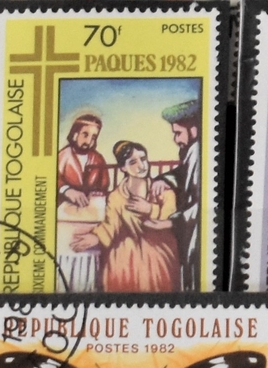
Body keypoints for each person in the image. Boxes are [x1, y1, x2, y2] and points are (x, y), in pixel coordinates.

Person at [70, 141, 181, 293]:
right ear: (123, 168)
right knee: (119, 261)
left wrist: (150, 209)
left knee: (154, 269)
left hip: (158, 245)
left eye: (143, 159)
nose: (141, 166)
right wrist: (96, 237)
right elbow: (111, 224)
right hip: (128, 246)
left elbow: (169, 221)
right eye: (133, 162)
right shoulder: (116, 196)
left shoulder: (164, 191)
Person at [57, 111, 109, 292]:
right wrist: (66, 190)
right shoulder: (62, 156)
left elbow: (104, 185)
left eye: (94, 137)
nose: (89, 141)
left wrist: (98, 195)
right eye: (85, 134)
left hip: (90, 222)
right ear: (74, 134)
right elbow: (51, 179)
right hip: (65, 224)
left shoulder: (98, 159)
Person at [163, 98, 203, 290]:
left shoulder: (198, 153)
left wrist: (171, 222)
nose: (176, 140)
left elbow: (200, 206)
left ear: (193, 129)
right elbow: (182, 173)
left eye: (178, 133)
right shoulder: (192, 151)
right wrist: (164, 180)